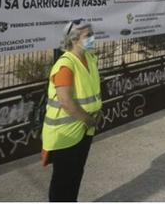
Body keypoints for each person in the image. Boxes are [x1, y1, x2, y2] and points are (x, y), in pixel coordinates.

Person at [42, 19, 102, 202]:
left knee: (75, 177)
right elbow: (66, 101)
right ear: (74, 40)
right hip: (66, 134)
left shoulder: (90, 58)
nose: (93, 38)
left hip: (83, 130)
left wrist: (96, 113)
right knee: (63, 182)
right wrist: (89, 119)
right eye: (88, 36)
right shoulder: (65, 65)